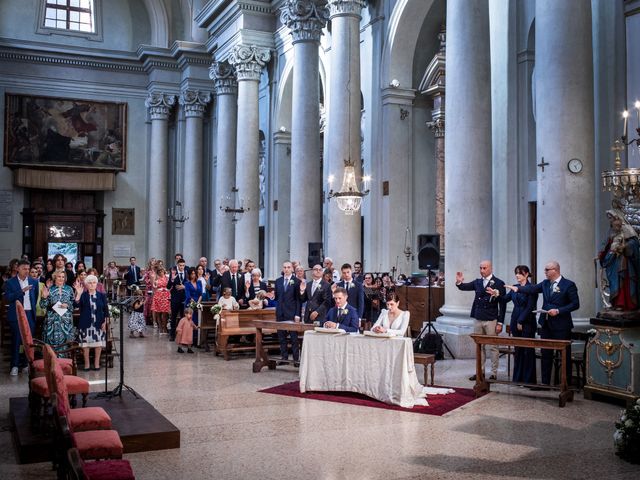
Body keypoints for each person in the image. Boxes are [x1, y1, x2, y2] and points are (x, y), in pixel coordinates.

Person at [507, 260, 579, 385]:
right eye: (545, 270)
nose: (544, 272)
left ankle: (565, 384)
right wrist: (518, 289)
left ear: (555, 270)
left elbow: (575, 304)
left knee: (564, 355)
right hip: (546, 324)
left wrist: (558, 310)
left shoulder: (568, 285)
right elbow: (532, 288)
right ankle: (545, 383)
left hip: (561, 325)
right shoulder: (545, 284)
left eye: (547, 270)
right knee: (546, 354)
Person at [455, 260, 506, 381]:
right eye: (481, 268)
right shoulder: (478, 282)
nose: (482, 270)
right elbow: (464, 287)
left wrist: (500, 322)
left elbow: (503, 304)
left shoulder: (499, 283)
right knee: (479, 346)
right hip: (478, 317)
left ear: (490, 268)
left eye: (484, 268)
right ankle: (480, 372)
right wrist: (459, 281)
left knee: (493, 347)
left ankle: (493, 373)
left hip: (491, 318)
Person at [491, 265, 538, 384]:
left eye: (520, 273)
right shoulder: (514, 287)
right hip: (515, 319)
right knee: (518, 350)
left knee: (528, 350)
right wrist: (496, 295)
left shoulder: (532, 288)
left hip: (527, 321)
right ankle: (518, 379)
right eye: (516, 273)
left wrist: (520, 321)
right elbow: (504, 300)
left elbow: (530, 307)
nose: (517, 275)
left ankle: (528, 380)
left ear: (526, 274)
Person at [598, 209, 640, 310]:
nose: (614, 226)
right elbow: (605, 247)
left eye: (615, 222)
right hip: (613, 263)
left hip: (627, 263)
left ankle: (629, 304)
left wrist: (625, 247)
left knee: (627, 282)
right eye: (612, 223)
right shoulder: (610, 232)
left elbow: (634, 244)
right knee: (614, 282)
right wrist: (607, 251)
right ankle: (617, 303)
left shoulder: (628, 231)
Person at [3, 259, 38, 375]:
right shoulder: (10, 282)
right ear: (18, 268)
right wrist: (21, 291)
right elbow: (8, 298)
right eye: (24, 269)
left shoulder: (34, 281)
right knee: (17, 340)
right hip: (16, 315)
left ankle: (25, 364)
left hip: (29, 314)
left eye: (28, 269)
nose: (27, 271)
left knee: (28, 342)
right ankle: (14, 365)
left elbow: (35, 296)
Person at [74, 274, 109, 371]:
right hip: (86, 323)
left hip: (98, 323)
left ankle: (97, 364)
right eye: (89, 283)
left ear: (97, 284)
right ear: (86, 284)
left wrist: (105, 322)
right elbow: (75, 305)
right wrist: (78, 294)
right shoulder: (83, 295)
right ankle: (87, 364)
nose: (92, 284)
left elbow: (106, 310)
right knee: (86, 345)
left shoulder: (101, 295)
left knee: (98, 345)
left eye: (94, 282)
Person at [40, 270, 75, 352]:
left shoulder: (69, 289)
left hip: (66, 320)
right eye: (59, 276)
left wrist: (67, 305)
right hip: (52, 321)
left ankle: (65, 363)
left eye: (63, 277)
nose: (61, 279)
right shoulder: (50, 289)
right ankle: (52, 362)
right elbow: (43, 305)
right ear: (54, 277)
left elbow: (73, 306)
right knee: (51, 344)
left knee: (66, 344)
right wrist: (44, 297)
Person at [274, 261, 302, 365]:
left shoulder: (296, 281)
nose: (286, 269)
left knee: (294, 338)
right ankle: (284, 358)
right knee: (281, 337)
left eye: (288, 267)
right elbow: (277, 297)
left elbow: (298, 300)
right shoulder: (278, 281)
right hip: (280, 312)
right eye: (285, 267)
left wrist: (297, 314)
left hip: (291, 313)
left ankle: (296, 359)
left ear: (292, 269)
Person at [168, 259, 187, 340]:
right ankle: (172, 335)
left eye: (183, 265)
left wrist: (184, 287)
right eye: (180, 265)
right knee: (173, 317)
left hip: (184, 298)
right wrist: (172, 279)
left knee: (183, 317)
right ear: (177, 265)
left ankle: (182, 334)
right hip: (175, 298)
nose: (182, 267)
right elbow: (168, 287)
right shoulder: (173, 273)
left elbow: (190, 284)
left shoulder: (186, 273)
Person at [184, 267, 203, 346]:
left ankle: (196, 340)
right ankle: (188, 340)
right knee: (190, 322)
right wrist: (194, 303)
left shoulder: (199, 282)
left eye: (194, 273)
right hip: (190, 303)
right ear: (189, 275)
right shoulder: (187, 283)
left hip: (197, 303)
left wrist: (198, 303)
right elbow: (188, 296)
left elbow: (201, 294)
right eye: (191, 274)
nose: (193, 275)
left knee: (197, 322)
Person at [152, 266, 171, 335]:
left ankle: (165, 327)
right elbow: (153, 286)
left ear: (164, 271)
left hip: (165, 295)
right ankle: (160, 328)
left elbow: (170, 285)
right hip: (158, 295)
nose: (161, 272)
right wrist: (156, 286)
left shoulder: (167, 277)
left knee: (165, 312)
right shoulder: (156, 278)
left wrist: (168, 290)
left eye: (162, 271)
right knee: (158, 312)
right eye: (159, 271)